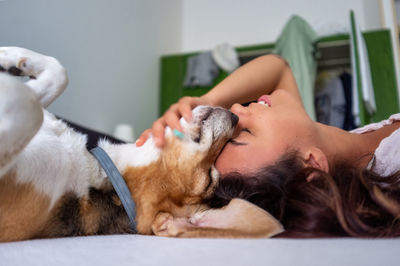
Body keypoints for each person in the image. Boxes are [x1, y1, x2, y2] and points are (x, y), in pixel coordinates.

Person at [136, 54, 400, 237]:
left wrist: (206, 101)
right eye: (245, 132)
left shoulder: (347, 150)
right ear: (311, 167)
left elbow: (278, 69)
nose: (237, 108)